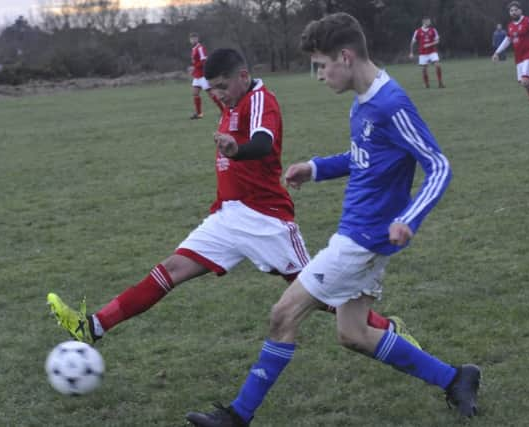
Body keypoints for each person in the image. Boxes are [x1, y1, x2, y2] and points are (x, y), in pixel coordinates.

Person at [186, 13, 480, 427]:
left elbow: (438, 165)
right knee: (353, 333)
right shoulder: (364, 103)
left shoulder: (390, 104)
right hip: (359, 234)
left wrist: (409, 218)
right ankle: (456, 378)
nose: (319, 76)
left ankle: (237, 417)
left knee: (283, 315)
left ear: (345, 57)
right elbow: (365, 158)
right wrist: (316, 167)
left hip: (361, 240)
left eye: (321, 66)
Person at [47, 49, 419, 352]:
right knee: (170, 270)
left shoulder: (261, 100)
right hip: (227, 216)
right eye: (212, 89)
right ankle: (93, 326)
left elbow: (263, 143)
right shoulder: (230, 102)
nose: (217, 94)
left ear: (243, 75)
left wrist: (236, 149)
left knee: (320, 295)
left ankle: (388, 331)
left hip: (265, 219)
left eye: (223, 86)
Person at [492, 1, 529, 117]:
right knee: (528, 85)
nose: (513, 12)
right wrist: (497, 52)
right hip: (519, 59)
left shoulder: (528, 21)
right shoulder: (511, 26)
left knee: (525, 82)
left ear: (520, 10)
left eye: (515, 10)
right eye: (511, 11)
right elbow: (507, 40)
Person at [189, 32, 223, 119]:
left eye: (194, 38)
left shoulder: (200, 48)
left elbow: (204, 61)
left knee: (211, 94)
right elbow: (195, 62)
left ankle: (224, 111)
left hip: (203, 75)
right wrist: (194, 70)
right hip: (197, 75)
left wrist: (195, 67)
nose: (193, 40)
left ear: (197, 39)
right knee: (195, 93)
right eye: (191, 38)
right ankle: (199, 114)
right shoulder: (193, 49)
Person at [409, 17, 445, 88]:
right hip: (422, 53)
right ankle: (426, 84)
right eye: (428, 21)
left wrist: (430, 44)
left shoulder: (433, 30)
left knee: (438, 65)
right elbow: (412, 42)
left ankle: (440, 83)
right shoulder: (418, 31)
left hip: (432, 52)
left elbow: (437, 41)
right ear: (424, 22)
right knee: (424, 70)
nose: (430, 22)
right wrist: (411, 52)